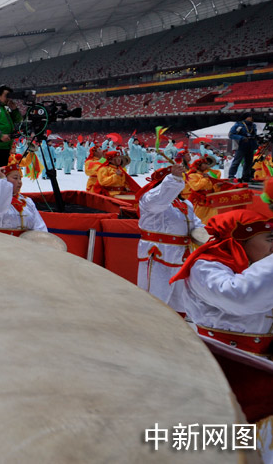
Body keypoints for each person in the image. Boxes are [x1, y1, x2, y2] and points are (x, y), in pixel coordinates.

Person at [169, 210, 273, 446]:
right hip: (227, 366)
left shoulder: (256, 266)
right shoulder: (205, 267)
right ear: (240, 241)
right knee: (227, 439)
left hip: (262, 369)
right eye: (269, 239)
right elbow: (241, 297)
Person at [135, 164, 204, 312]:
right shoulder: (149, 200)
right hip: (158, 254)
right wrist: (173, 179)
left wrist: (209, 233)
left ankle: (176, 325)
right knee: (155, 298)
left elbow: (196, 224)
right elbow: (160, 199)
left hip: (181, 257)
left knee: (179, 301)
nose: (181, 183)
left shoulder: (185, 204)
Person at [0, 159, 47, 234]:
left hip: (25, 241)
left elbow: (39, 226)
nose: (19, 182)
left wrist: (41, 238)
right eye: (15, 178)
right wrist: (2, 180)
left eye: (20, 178)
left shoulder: (27, 201)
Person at [229, 114, 258, 182]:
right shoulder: (238, 125)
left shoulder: (253, 125)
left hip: (250, 145)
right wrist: (241, 138)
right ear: (245, 118)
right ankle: (231, 176)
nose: (251, 118)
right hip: (241, 145)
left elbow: (254, 135)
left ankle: (246, 176)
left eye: (251, 117)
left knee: (249, 162)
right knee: (237, 161)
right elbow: (231, 135)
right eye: (249, 117)